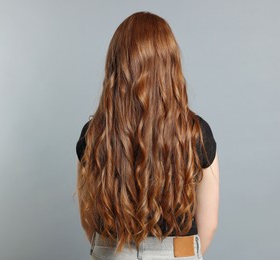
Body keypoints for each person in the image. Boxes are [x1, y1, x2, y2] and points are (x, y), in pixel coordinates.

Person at [76, 11, 219, 260]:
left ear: (116, 65)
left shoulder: (94, 134)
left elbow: (88, 220)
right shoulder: (195, 133)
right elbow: (208, 226)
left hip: (113, 253)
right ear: (170, 65)